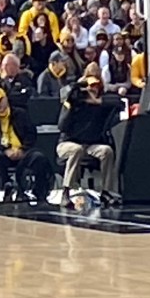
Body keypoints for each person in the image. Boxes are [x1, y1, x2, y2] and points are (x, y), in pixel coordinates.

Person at [56, 75, 124, 207]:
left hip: (90, 145)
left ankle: (106, 191)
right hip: (68, 143)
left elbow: (119, 103)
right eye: (88, 87)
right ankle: (66, 191)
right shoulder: (74, 104)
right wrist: (71, 106)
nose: (91, 89)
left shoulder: (102, 105)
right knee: (76, 150)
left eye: (94, 86)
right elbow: (62, 126)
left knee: (106, 151)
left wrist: (98, 102)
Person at [0, 86, 54, 206]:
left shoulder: (20, 114)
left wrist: (23, 149)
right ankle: (6, 188)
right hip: (3, 154)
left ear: (5, 99)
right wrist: (5, 150)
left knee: (39, 158)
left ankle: (41, 193)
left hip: (23, 152)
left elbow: (31, 134)